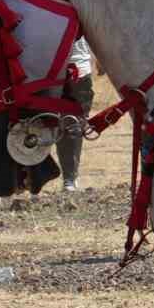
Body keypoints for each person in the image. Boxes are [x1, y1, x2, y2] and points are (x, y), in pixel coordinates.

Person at [56, 35, 94, 191]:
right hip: (69, 68)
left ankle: (69, 179)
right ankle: (69, 180)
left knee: (72, 125)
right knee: (71, 125)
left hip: (77, 69)